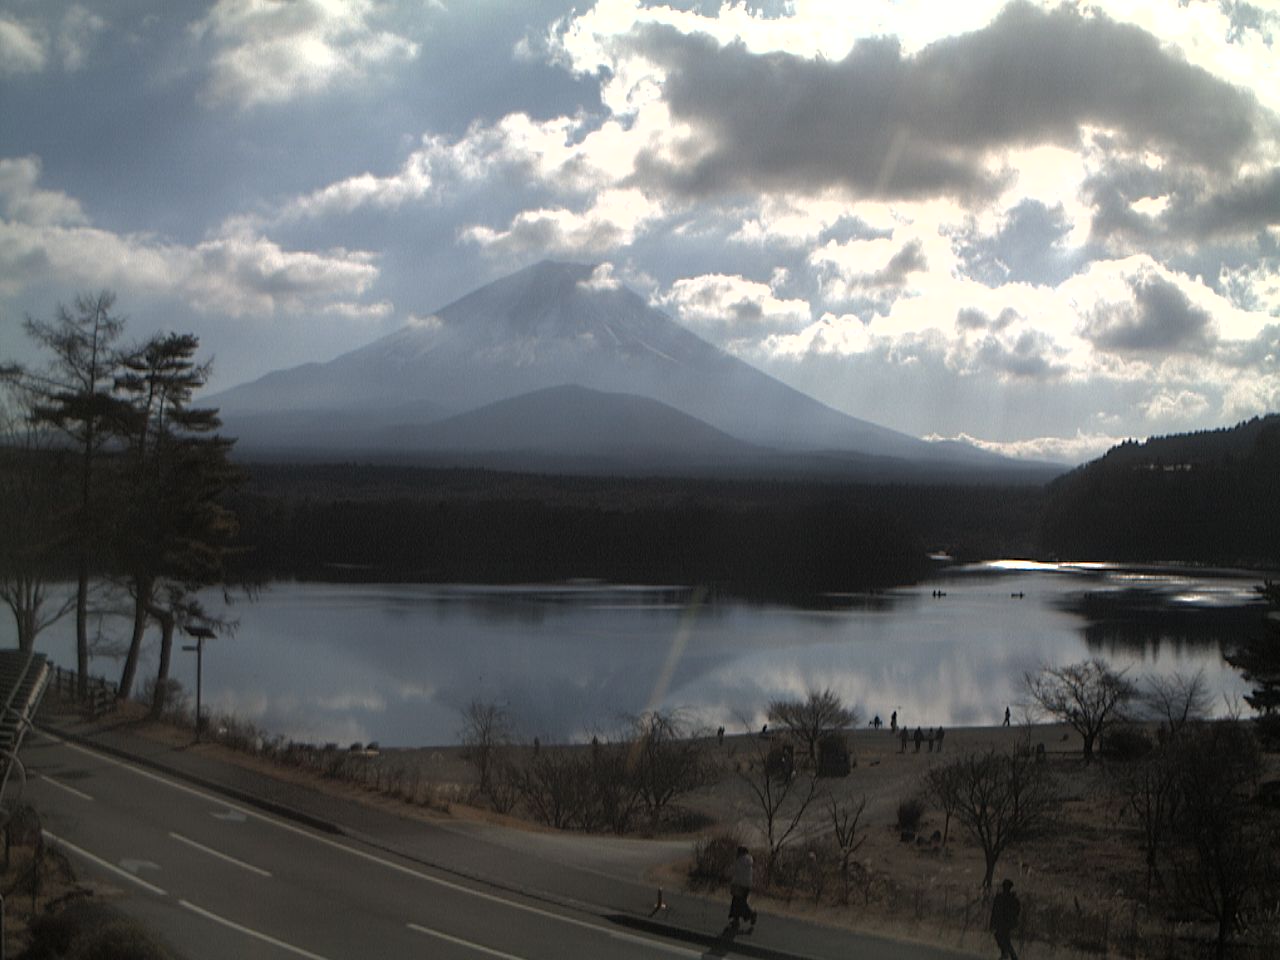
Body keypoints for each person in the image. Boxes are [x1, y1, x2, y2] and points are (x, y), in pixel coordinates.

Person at [990, 878, 1021, 960]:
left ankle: (1010, 955)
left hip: (1004, 923)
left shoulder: (1006, 898)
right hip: (1004, 922)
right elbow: (995, 911)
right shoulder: (1011, 898)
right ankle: (1006, 954)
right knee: (1002, 938)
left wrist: (992, 923)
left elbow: (995, 911)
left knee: (1004, 939)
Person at [728, 846, 757, 932]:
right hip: (747, 885)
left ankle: (751, 914)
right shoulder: (749, 861)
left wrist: (732, 883)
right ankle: (736, 920)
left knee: (738, 902)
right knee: (738, 902)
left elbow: (736, 873)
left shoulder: (740, 861)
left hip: (739, 885)